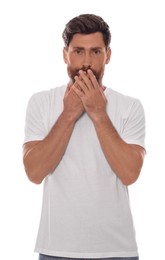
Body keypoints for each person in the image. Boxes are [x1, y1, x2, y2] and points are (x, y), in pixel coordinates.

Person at [23, 14, 146, 260]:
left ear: (107, 55)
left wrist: (99, 114)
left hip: (117, 249)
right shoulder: (41, 102)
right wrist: (69, 114)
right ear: (65, 54)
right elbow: (34, 173)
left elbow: (130, 174)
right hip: (56, 248)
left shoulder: (130, 106)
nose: (86, 62)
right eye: (78, 51)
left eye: (96, 52)